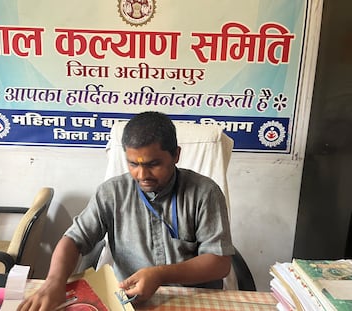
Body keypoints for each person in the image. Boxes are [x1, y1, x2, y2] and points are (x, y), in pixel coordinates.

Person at [18, 111, 234, 310]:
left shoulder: (205, 193)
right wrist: (54, 282)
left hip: (192, 299)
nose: (142, 174)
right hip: (129, 300)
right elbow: (74, 240)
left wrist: (159, 275)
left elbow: (219, 262)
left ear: (176, 155)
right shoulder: (112, 193)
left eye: (153, 164)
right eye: (133, 164)